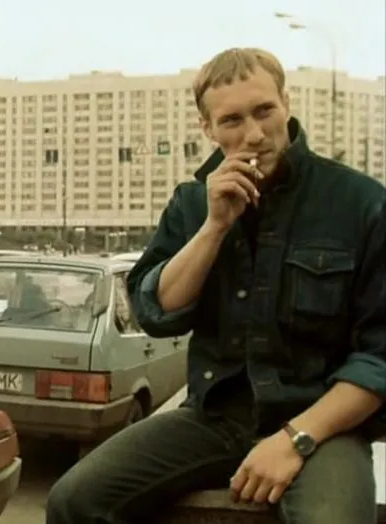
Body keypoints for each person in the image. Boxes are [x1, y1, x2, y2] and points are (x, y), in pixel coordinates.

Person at [46, 47, 385, 524]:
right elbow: (155, 311)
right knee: (74, 500)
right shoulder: (192, 203)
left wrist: (295, 440)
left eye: (264, 111)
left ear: (286, 103)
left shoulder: (360, 202)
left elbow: (379, 357)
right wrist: (215, 226)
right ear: (208, 129)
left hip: (321, 424)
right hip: (215, 417)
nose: (254, 133)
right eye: (232, 120)